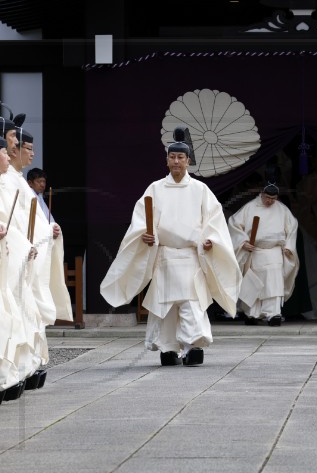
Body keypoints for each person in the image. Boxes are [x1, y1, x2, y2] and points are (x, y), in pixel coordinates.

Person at [100, 132, 241, 366]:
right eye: (172, 157)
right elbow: (141, 222)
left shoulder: (200, 190)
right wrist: (146, 236)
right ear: (166, 160)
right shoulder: (155, 189)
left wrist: (209, 241)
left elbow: (214, 222)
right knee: (164, 306)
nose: (176, 161)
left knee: (190, 302)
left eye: (181, 157)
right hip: (164, 255)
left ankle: (193, 345)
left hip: (190, 256)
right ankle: (168, 347)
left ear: (188, 161)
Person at [228, 182, 299, 326]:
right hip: (256, 251)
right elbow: (234, 223)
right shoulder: (250, 207)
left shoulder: (282, 209)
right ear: (261, 194)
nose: (269, 201)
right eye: (267, 198)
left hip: (274, 251)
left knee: (274, 283)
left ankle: (273, 314)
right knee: (254, 283)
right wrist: (242, 242)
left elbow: (292, 227)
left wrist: (289, 246)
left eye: (273, 199)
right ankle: (252, 314)